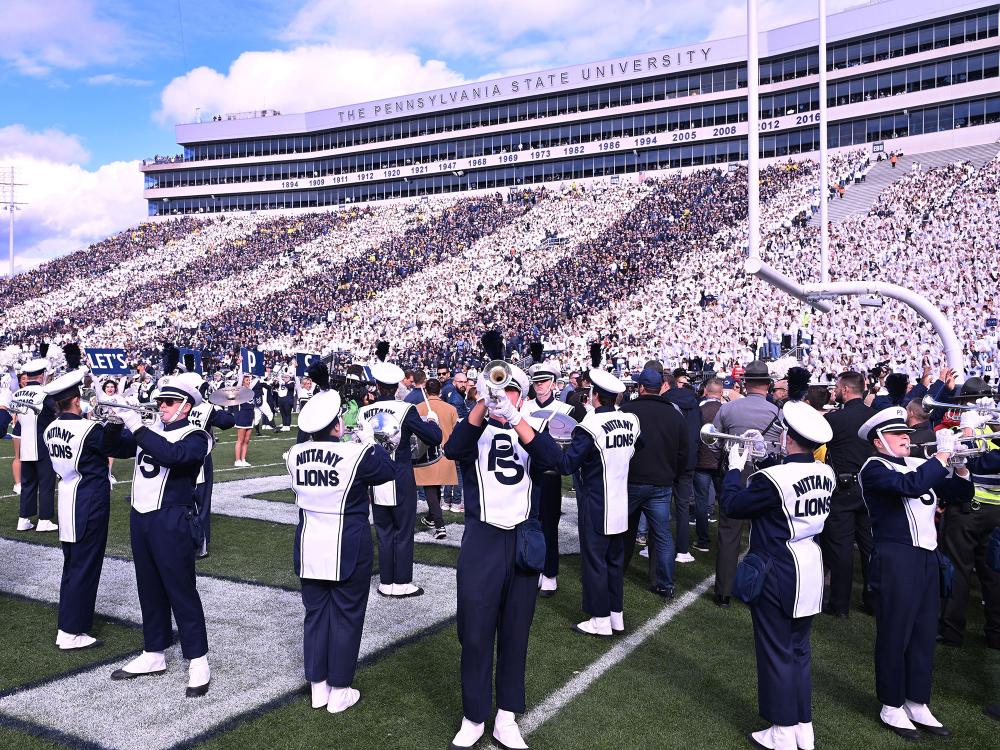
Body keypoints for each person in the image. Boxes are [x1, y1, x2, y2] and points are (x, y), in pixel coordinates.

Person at [443, 360, 562, 750]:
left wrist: (515, 418)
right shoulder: (474, 429)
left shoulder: (535, 429)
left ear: (523, 397)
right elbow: (453, 448)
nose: (502, 396)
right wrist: (481, 402)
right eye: (498, 389)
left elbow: (554, 462)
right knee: (475, 633)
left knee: (515, 632)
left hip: (523, 540)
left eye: (510, 390)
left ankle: (507, 717)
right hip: (483, 539)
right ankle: (474, 715)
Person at [721, 402, 835, 750]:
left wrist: (734, 468)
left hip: (778, 568)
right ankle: (802, 726)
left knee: (775, 650)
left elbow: (733, 505)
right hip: (810, 566)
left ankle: (782, 730)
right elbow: (789, 483)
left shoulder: (774, 480)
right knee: (799, 649)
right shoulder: (825, 473)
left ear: (787, 437)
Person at [857, 406, 974, 740]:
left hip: (926, 557)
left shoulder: (917, 465)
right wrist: (942, 456)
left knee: (924, 632)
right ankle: (891, 704)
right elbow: (910, 487)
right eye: (898, 435)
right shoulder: (874, 468)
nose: (906, 440)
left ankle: (916, 700)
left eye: (907, 434)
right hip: (896, 557)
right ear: (880, 442)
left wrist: (960, 466)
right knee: (896, 631)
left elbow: (961, 495)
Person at [286, 388, 398, 713]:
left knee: (315, 615)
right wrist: (367, 442)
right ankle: (340, 689)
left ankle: (317, 687)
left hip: (308, 545)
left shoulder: (294, 454)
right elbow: (387, 471)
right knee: (348, 616)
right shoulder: (355, 454)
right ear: (337, 424)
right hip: (348, 544)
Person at [106, 374, 213, 698]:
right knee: (148, 586)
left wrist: (137, 427)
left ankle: (198, 659)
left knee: (181, 590)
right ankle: (154, 652)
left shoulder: (197, 435)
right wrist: (114, 422)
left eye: (167, 402)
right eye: (160, 402)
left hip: (171, 518)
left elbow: (175, 456)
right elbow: (112, 447)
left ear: (184, 405)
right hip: (141, 517)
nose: (161, 407)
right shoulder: (150, 431)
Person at [42, 362, 118, 650]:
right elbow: (121, 448)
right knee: (85, 566)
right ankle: (72, 631)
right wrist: (116, 421)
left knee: (73, 565)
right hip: (89, 500)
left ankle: (70, 626)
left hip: (67, 497)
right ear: (76, 400)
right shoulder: (89, 429)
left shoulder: (51, 428)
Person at [559, 368, 640, 636]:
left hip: (597, 502)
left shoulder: (589, 426)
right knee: (615, 562)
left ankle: (600, 619)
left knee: (595, 562)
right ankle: (616, 615)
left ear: (594, 396)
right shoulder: (631, 419)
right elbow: (639, 446)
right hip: (621, 500)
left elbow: (568, 464)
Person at [358, 359, 442, 597]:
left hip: (375, 478)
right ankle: (402, 582)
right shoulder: (406, 409)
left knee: (384, 531)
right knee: (403, 531)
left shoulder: (364, 412)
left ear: (375, 384)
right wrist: (432, 420)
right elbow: (433, 437)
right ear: (396, 387)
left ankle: (386, 581)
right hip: (400, 475)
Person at [713, 360, 783, 608]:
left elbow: (716, 440)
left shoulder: (729, 409)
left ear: (745, 383)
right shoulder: (777, 412)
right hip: (766, 476)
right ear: (767, 385)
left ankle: (723, 591)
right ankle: (761, 588)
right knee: (765, 534)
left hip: (736, 471)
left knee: (729, 532)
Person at [937, 380, 1000, 649]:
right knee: (993, 575)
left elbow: (968, 462)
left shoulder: (974, 430)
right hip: (994, 512)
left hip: (969, 510)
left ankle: (952, 631)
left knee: (959, 571)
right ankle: (995, 633)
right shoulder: (989, 431)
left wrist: (968, 429)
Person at [620, 367, 688, 598]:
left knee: (621, 530)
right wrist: (673, 474)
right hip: (661, 483)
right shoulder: (674, 414)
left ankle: (614, 571)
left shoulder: (627, 410)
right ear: (661, 388)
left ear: (640, 388)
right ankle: (665, 583)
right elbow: (684, 453)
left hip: (631, 480)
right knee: (662, 535)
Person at [821, 371, 876, 617]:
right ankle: (874, 600)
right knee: (870, 547)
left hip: (843, 490)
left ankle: (839, 604)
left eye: (836, 387)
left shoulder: (837, 419)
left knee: (841, 547)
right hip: (872, 489)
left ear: (844, 389)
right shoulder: (875, 417)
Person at [521, 360, 575, 597]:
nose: (539, 386)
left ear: (554, 383)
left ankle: (550, 574)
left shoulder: (566, 410)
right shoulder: (524, 407)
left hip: (551, 475)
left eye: (544, 382)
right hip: (526, 472)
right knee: (529, 522)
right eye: (536, 382)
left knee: (549, 525)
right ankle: (532, 567)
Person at [185, 377, 237, 559]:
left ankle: (183, 542)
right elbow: (228, 422)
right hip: (200, 460)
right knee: (201, 504)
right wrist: (230, 404)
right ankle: (201, 545)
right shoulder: (206, 409)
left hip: (176, 459)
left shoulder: (171, 406)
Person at [14, 356, 59, 532]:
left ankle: (23, 519)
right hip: (43, 444)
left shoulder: (18, 393)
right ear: (41, 375)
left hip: (25, 444)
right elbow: (56, 411)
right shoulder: (44, 392)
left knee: (28, 483)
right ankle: (44, 520)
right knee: (46, 484)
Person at [663, 371, 700, 564]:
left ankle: (656, 547)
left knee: (660, 504)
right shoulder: (694, 404)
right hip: (688, 460)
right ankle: (682, 549)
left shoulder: (664, 402)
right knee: (683, 506)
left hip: (667, 460)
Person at [415, 378, 458, 540]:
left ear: (426, 391)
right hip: (445, 455)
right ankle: (432, 518)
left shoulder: (418, 408)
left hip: (426, 456)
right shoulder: (451, 408)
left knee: (430, 490)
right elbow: (455, 433)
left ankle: (439, 525)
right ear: (440, 391)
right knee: (434, 488)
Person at [693, 378, 725, 553]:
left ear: (706, 391)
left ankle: (703, 540)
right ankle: (725, 539)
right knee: (724, 502)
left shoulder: (699, 410)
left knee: (701, 502)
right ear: (721, 393)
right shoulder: (725, 410)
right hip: (721, 461)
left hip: (702, 461)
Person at [232, 373, 256, 467]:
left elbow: (257, 379)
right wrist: (242, 365)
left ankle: (243, 459)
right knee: (240, 440)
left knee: (246, 440)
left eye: (249, 380)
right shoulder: (240, 390)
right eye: (247, 380)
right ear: (242, 382)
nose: (249, 382)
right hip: (242, 415)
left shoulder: (251, 390)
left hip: (250, 415)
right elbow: (239, 382)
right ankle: (237, 460)